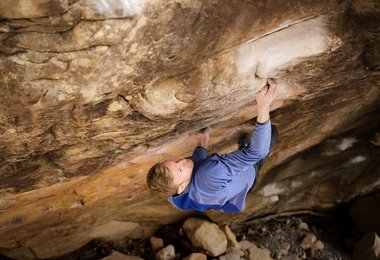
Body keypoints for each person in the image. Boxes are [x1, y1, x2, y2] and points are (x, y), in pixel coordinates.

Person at [146, 80, 279, 213]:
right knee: (271, 133)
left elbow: (195, 172)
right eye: (180, 169)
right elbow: (257, 152)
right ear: (181, 187)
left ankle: (241, 154)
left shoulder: (172, 195)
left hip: (226, 200)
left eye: (175, 162)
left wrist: (202, 144)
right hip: (244, 181)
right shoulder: (211, 174)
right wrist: (264, 105)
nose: (182, 161)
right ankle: (251, 161)